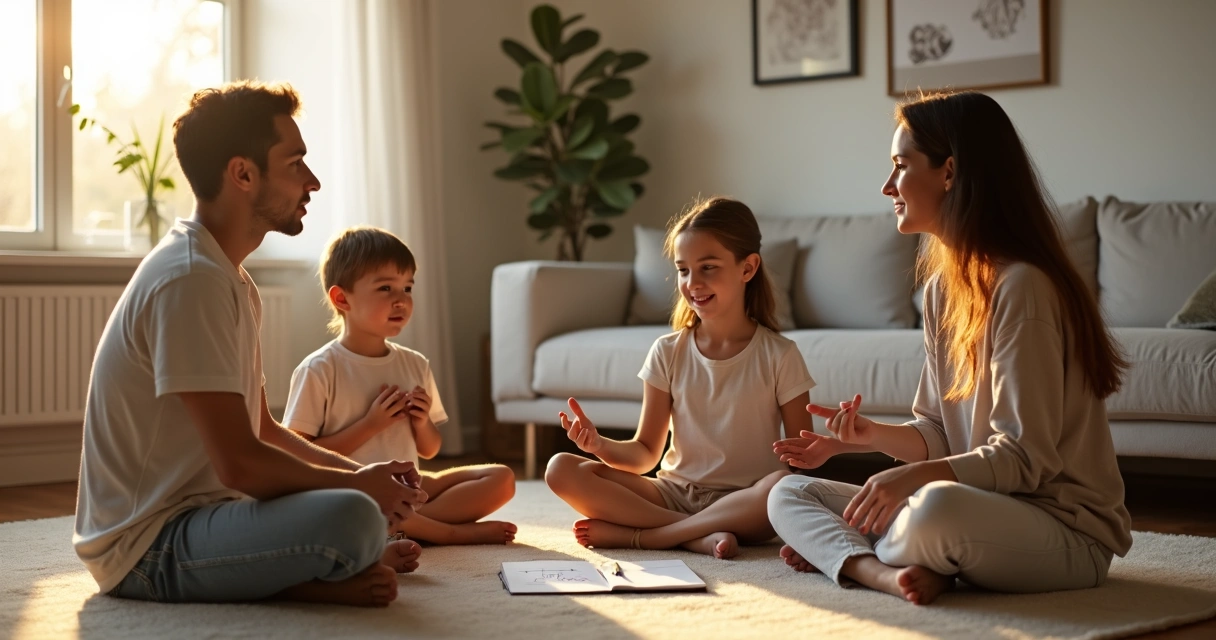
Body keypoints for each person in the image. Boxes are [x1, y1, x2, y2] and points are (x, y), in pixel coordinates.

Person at [768, 91, 1132, 605]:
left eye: (900, 166)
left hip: (1064, 531)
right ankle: (887, 569)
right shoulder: (943, 289)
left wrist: (910, 479)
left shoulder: (1023, 287)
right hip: (982, 508)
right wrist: (867, 436)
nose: (887, 185)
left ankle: (851, 554)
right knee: (788, 493)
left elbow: (1025, 459)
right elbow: (938, 431)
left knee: (935, 508)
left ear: (950, 172)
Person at [73, 81, 427, 608]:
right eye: (296, 163)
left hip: (207, 512)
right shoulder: (190, 278)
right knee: (353, 517)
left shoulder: (230, 277)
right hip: (146, 548)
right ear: (243, 173)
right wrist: (358, 491)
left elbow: (261, 428)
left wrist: (362, 473)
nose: (314, 182)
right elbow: (241, 464)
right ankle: (308, 578)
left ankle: (314, 568)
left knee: (361, 506)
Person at [544, 197, 816, 559]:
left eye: (708, 267)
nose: (693, 283)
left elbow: (800, 462)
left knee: (784, 485)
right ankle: (691, 537)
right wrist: (599, 446)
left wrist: (830, 443)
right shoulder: (666, 351)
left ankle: (649, 536)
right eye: (683, 270)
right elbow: (644, 454)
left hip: (746, 503)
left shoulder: (780, 355)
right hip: (673, 494)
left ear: (748, 268)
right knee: (560, 468)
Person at [282, 226, 517, 546]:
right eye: (385, 288)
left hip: (409, 487)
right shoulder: (321, 369)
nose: (401, 300)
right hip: (354, 491)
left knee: (501, 478)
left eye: (407, 288)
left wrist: (420, 422)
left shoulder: (414, 363)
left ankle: (404, 526)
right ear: (342, 298)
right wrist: (369, 425)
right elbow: (300, 458)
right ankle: (446, 533)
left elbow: (430, 449)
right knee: (337, 508)